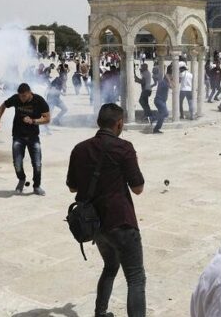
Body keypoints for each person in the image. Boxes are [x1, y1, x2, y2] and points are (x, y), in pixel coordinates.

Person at [67, 104, 146, 317]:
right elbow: (138, 188)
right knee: (136, 278)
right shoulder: (124, 148)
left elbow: (73, 187)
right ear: (119, 123)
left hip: (96, 225)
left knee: (110, 267)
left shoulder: (79, 148)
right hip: (121, 222)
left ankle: (100, 313)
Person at [0, 83, 50, 196]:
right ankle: (21, 179)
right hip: (18, 136)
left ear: (30, 93)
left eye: (24, 96)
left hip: (33, 137)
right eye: (20, 96)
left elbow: (47, 118)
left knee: (37, 163)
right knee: (17, 163)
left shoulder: (39, 100)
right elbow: (3, 106)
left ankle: (37, 186)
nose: (22, 99)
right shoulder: (16, 98)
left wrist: (34, 121)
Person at [153, 65, 173, 134]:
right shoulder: (164, 82)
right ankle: (154, 121)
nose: (171, 77)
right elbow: (172, 86)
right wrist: (169, 79)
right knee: (165, 113)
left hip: (161, 101)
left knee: (162, 114)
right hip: (159, 101)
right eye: (170, 76)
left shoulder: (164, 81)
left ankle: (154, 121)